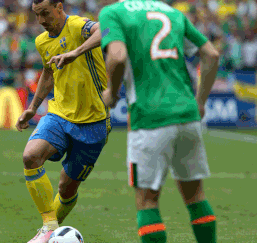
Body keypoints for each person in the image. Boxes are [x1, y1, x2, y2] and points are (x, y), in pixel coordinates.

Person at [99, 1, 220, 242]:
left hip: (149, 117)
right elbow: (211, 54)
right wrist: (201, 101)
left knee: (147, 201)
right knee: (195, 196)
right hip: (187, 113)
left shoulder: (113, 13)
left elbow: (118, 56)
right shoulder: (173, 12)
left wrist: (111, 94)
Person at [15, 0, 111, 242]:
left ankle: (48, 231)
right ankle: (47, 229)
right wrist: (33, 108)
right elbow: (48, 72)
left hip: (94, 121)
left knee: (67, 189)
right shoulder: (41, 41)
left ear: (59, 7)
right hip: (59, 114)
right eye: (37, 15)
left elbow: (107, 29)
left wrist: (76, 51)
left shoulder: (78, 26)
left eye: (45, 14)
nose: (41, 21)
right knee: (30, 156)